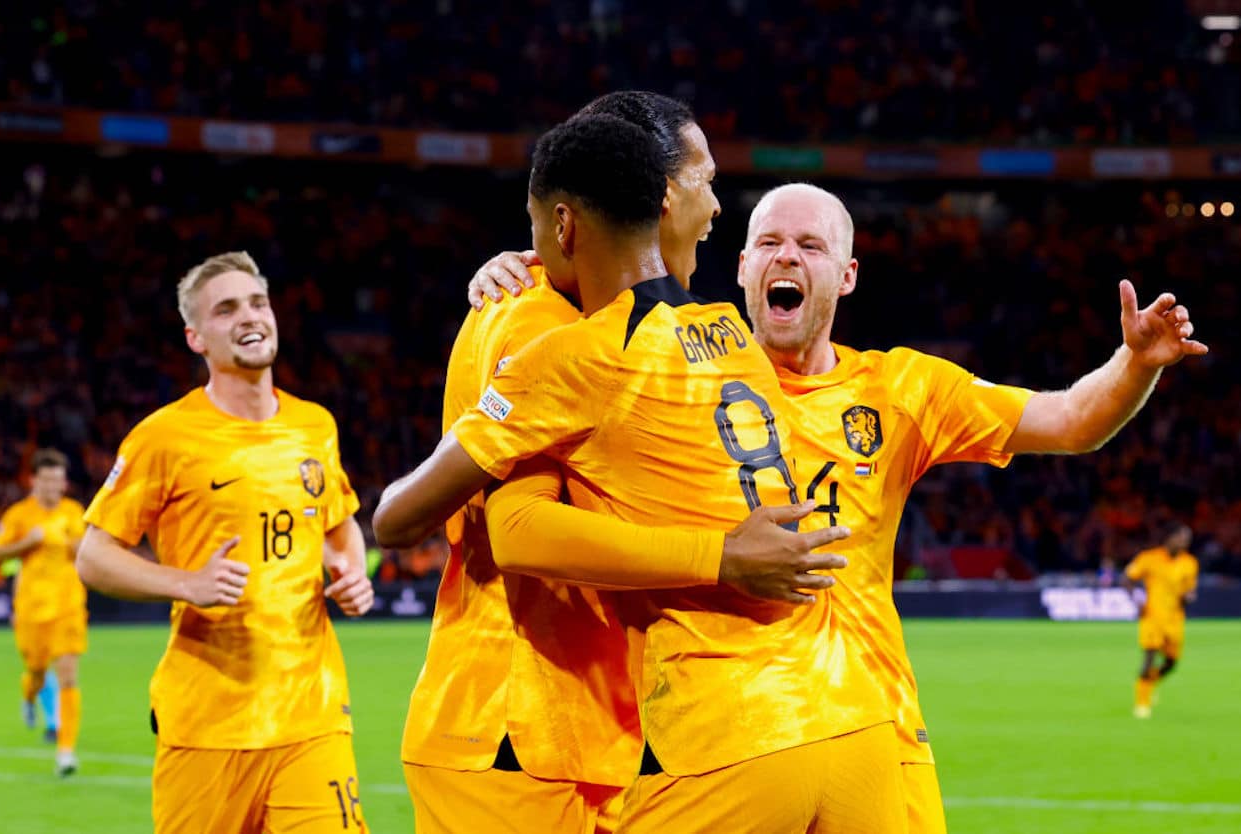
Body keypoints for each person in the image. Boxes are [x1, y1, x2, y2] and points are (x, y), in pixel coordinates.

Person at [471, 182, 1207, 833]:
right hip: (718, 732)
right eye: (768, 242)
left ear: (846, 275)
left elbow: (1070, 419)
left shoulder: (900, 390)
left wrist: (1134, 364)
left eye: (810, 246)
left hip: (877, 728)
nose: (786, 257)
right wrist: (528, 274)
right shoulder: (676, 372)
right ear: (741, 268)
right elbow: (588, 330)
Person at [376, 115, 904, 833]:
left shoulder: (600, 346)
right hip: (535, 725)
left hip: (690, 728)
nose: (718, 208)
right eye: (704, 183)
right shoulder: (708, 338)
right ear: (658, 201)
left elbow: (458, 522)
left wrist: (722, 557)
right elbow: (517, 526)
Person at [76, 252, 375, 834]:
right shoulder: (164, 436)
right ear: (196, 337)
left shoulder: (315, 425)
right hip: (208, 723)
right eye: (226, 309)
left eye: (258, 302)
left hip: (311, 715)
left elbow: (339, 529)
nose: (248, 316)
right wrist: (186, 583)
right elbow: (93, 555)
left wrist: (348, 572)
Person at [0, 448, 87, 775]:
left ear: (64, 483)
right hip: (31, 609)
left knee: (69, 675)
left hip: (68, 607)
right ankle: (29, 696)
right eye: (46, 480)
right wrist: (25, 544)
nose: (52, 487)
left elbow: (88, 552)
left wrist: (79, 547)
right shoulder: (20, 515)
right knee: (35, 670)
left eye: (57, 480)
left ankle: (66, 752)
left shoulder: (75, 512)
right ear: (34, 480)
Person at [1124, 523, 1199, 718]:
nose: (1184, 543)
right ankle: (1142, 703)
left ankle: (1150, 682)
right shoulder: (1149, 558)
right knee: (1149, 658)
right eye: (1181, 538)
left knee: (1172, 662)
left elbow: (1189, 590)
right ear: (1170, 538)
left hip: (1175, 619)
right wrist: (1136, 600)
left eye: (1187, 540)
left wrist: (1188, 597)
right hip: (1152, 616)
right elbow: (1127, 579)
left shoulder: (1189, 563)